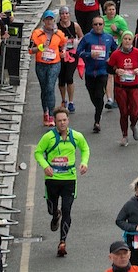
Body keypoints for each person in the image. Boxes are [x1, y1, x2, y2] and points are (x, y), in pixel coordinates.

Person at [35, 109, 90, 259]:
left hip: (69, 179)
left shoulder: (76, 136)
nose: (62, 123)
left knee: (67, 210)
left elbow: (85, 148)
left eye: (64, 120)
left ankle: (62, 242)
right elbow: (38, 152)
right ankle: (54, 216)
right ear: (55, 121)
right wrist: (45, 166)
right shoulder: (48, 137)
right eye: (59, 121)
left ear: (68, 120)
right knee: (51, 209)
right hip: (52, 179)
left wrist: (84, 163)